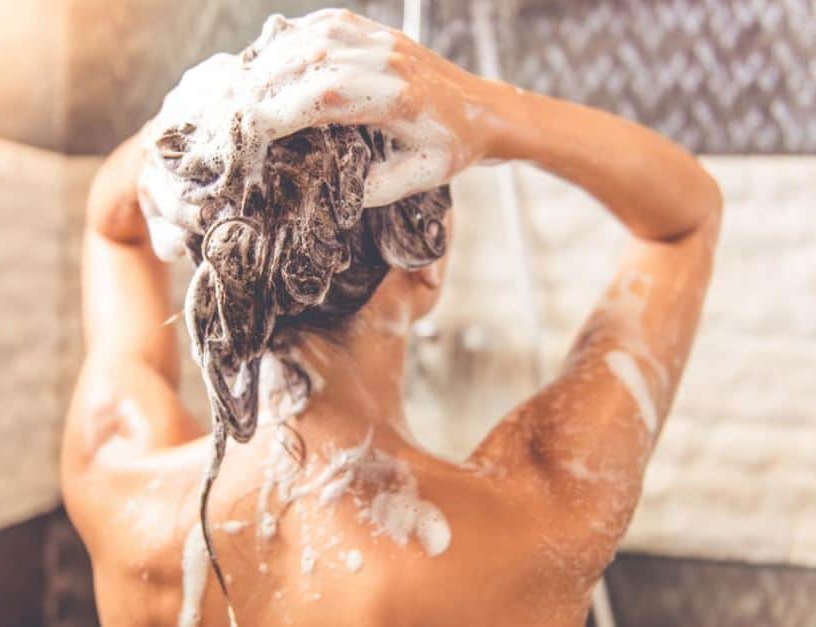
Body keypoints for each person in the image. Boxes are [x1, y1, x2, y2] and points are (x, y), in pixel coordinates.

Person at [62, 10, 722, 627]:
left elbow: (111, 224)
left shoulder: (120, 479)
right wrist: (487, 110)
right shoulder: (541, 517)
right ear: (422, 265)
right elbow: (684, 218)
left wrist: (204, 132)